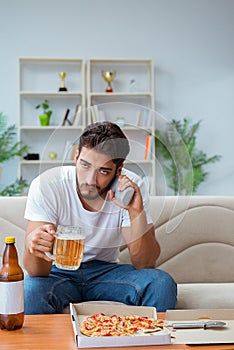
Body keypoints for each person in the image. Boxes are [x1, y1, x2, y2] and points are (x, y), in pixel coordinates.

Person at [23, 121, 177, 314]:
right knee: (28, 291)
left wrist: (135, 213)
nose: (89, 180)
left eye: (103, 171)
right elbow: (36, 272)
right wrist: (34, 244)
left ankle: (149, 342)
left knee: (161, 283)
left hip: (105, 272)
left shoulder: (130, 188)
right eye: (85, 165)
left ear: (118, 171)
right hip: (58, 272)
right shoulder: (48, 185)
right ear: (76, 156)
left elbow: (145, 263)